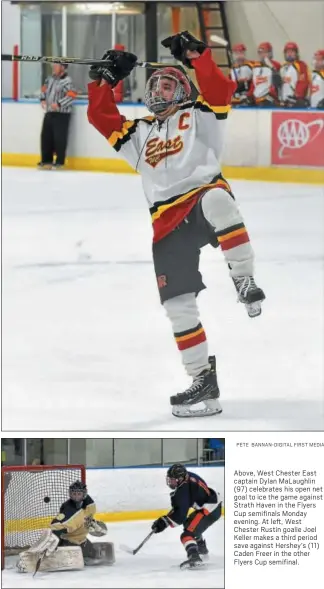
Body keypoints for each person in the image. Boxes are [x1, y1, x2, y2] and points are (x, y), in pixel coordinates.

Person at [87, 31, 265, 419]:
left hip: (201, 199)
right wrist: (104, 81)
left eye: (169, 83)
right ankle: (202, 380)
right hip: (166, 225)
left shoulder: (201, 114)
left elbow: (219, 86)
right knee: (179, 308)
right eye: (157, 84)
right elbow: (100, 115)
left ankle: (244, 279)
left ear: (182, 89)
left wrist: (195, 55)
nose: (161, 88)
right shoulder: (138, 133)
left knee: (219, 199)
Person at [17, 481, 114, 573]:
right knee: (72, 559)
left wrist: (95, 525)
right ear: (70, 494)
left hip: (82, 541)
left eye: (78, 494)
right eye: (74, 494)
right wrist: (56, 534)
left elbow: (86, 518)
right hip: (68, 543)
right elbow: (57, 524)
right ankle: (29, 561)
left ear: (84, 494)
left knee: (91, 555)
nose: (76, 497)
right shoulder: (68, 509)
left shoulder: (89, 505)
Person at [151, 463, 222, 569]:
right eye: (170, 479)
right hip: (211, 505)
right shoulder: (188, 477)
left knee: (187, 535)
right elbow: (181, 509)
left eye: (173, 480)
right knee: (189, 524)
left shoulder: (183, 490)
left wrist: (164, 522)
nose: (170, 482)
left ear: (180, 479)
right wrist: (166, 519)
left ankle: (195, 557)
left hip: (209, 510)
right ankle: (202, 549)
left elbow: (180, 515)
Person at [38, 64, 77, 169]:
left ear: (63, 68)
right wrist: (42, 99)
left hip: (62, 114)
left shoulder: (67, 81)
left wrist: (59, 104)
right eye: (53, 65)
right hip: (49, 112)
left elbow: (72, 95)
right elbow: (43, 89)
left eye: (56, 65)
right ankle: (46, 161)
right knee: (46, 137)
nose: (53, 67)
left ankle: (60, 162)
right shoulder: (49, 79)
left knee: (59, 138)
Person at [250, 42, 281, 106]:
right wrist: (249, 95)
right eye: (260, 52)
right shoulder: (255, 66)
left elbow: (278, 82)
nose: (263, 55)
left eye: (265, 52)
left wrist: (272, 67)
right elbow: (253, 84)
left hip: (271, 99)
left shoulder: (276, 65)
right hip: (257, 99)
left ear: (270, 53)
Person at [280, 42, 309, 107]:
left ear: (296, 53)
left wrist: (296, 96)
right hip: (284, 101)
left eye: (292, 51)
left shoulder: (301, 65)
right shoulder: (282, 67)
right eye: (287, 52)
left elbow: (303, 82)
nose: (289, 54)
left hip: (295, 102)